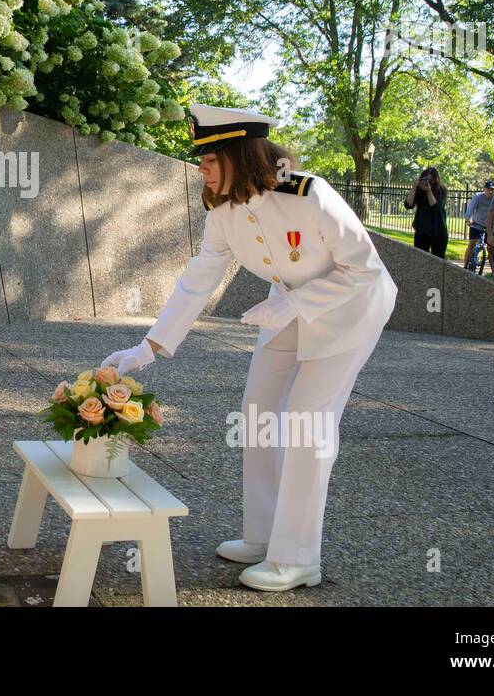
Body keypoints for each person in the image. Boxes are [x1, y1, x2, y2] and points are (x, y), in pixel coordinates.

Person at [100, 105, 397, 592]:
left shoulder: (310, 194)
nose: (202, 169)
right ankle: (264, 537)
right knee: (257, 411)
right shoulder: (224, 211)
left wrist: (295, 305)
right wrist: (147, 348)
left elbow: (364, 271)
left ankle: (297, 558)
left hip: (350, 312)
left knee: (306, 422)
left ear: (241, 153)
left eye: (211, 159)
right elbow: (199, 280)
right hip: (287, 308)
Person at [403, 166, 449, 257]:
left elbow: (436, 208)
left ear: (435, 180)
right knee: (420, 258)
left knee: (438, 260)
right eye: (424, 179)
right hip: (422, 230)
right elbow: (408, 205)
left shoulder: (442, 190)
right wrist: (414, 189)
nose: (427, 182)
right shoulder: (419, 191)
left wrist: (429, 191)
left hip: (438, 229)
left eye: (429, 180)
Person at [462, 181, 494, 270]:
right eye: (488, 189)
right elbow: (470, 208)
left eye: (492, 190)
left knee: (491, 248)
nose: (490, 191)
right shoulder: (478, 197)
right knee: (472, 244)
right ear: (484, 189)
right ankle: (465, 266)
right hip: (476, 224)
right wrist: (468, 218)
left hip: (490, 226)